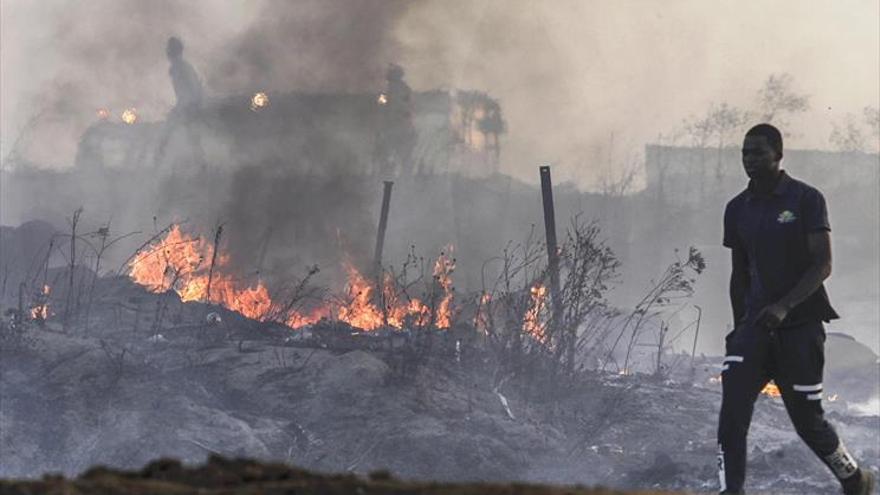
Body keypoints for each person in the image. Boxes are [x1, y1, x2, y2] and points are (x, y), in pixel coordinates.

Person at [717, 123, 875, 494]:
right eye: (744, 153)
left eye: (757, 152)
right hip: (754, 330)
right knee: (731, 417)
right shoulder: (737, 209)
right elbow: (739, 273)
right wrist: (739, 326)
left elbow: (822, 265)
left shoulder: (805, 200)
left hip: (800, 328)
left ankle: (855, 478)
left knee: (808, 422)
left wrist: (785, 306)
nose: (749, 160)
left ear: (778, 154)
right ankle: (730, 490)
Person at [155, 36, 205, 169]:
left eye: (170, 49)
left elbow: (193, 90)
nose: (167, 52)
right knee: (190, 138)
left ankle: (158, 164)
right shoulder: (177, 67)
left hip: (189, 108)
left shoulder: (182, 68)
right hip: (186, 107)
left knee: (170, 137)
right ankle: (199, 164)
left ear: (175, 51)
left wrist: (183, 108)